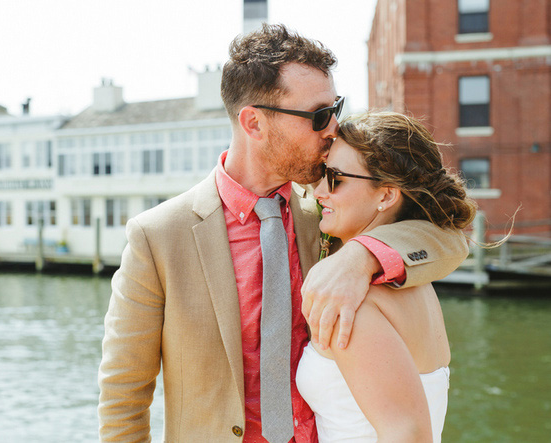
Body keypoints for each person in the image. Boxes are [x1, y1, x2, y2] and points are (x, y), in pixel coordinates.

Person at [98, 24, 468, 441]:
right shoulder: (158, 237)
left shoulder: (333, 214)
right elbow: (123, 399)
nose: (333, 128)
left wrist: (359, 256)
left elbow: (449, 237)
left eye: (336, 109)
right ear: (254, 123)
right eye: (318, 115)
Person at [296, 111, 477, 442]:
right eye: (323, 173)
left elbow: (407, 433)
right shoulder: (414, 284)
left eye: (335, 178)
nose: (320, 190)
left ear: (385, 196)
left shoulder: (349, 301)